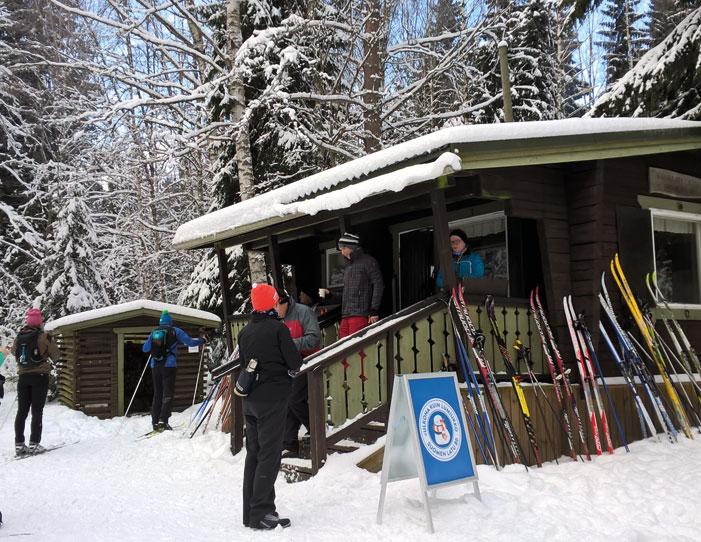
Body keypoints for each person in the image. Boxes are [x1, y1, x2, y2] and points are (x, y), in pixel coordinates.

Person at [239, 283, 302, 530]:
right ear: (272, 303)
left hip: (250, 401)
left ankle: (250, 512)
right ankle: (262, 512)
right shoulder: (278, 329)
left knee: (254, 453)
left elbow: (245, 364)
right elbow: (294, 362)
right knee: (269, 454)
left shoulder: (245, 333)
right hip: (272, 401)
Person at [275, 291, 321, 457]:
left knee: (294, 399)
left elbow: (314, 338)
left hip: (308, 362)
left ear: (284, 302)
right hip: (288, 364)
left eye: (276, 305)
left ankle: (315, 428)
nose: (274, 309)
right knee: (286, 402)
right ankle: (289, 443)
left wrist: (289, 345)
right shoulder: (278, 319)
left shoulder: (303, 312)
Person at [142, 309, 203, 431]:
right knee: (168, 393)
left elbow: (145, 348)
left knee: (157, 393)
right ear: (170, 322)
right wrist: (202, 340)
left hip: (155, 365)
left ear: (160, 322)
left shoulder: (154, 332)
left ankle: (155, 422)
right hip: (169, 366)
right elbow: (190, 342)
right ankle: (163, 421)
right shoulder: (175, 331)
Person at [12, 308, 60, 457]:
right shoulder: (44, 336)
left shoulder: (20, 336)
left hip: (23, 378)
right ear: (40, 322)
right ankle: (34, 443)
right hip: (39, 376)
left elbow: (14, 352)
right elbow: (56, 355)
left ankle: (19, 444)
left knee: (22, 411)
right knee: (37, 411)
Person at [319, 232, 384, 338]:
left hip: (360, 314)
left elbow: (378, 285)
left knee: (356, 349)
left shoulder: (368, 261)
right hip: (345, 315)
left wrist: (374, 310)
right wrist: (330, 294)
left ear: (351, 247)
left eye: (343, 248)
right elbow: (346, 294)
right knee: (343, 348)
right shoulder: (348, 267)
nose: (341, 251)